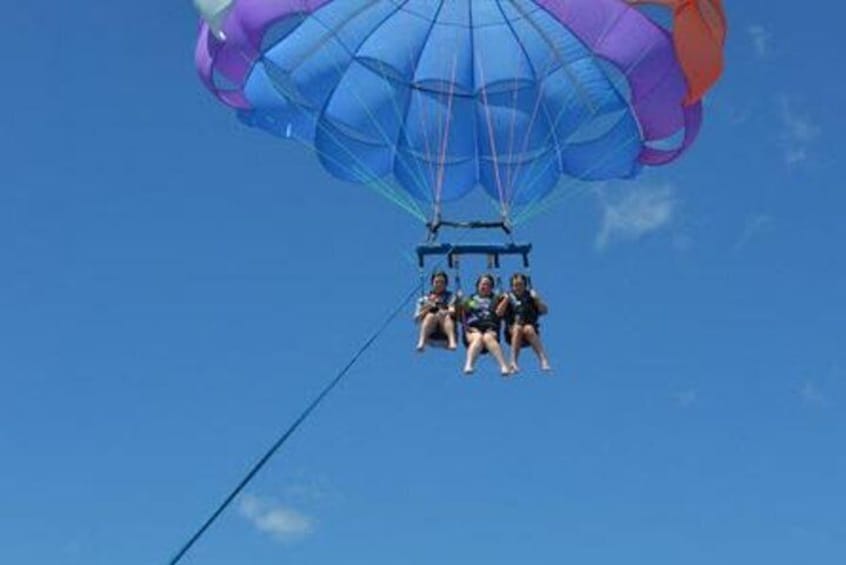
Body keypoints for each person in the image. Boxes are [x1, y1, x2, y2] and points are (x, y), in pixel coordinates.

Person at [497, 273, 551, 372]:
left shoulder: (530, 296)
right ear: (512, 286)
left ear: (525, 285)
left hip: (529, 333)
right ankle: (513, 362)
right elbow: (498, 313)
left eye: (520, 284)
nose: (517, 287)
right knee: (518, 327)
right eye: (515, 285)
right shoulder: (508, 297)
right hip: (512, 333)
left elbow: (544, 311)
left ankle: (543, 360)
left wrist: (537, 299)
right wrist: (505, 300)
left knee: (529, 328)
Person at [460, 274, 511, 376]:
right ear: (478, 286)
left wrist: (506, 299)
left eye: (488, 285)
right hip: (473, 329)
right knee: (478, 337)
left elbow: (499, 313)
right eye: (483, 284)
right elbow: (464, 314)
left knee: (488, 337)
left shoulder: (495, 299)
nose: (485, 287)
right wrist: (466, 327)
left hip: (490, 328)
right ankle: (469, 364)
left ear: (491, 288)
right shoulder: (471, 300)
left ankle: (504, 366)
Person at [414, 271, 457, 351]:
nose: (439, 285)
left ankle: (452, 341)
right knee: (431, 315)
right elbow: (416, 319)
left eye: (442, 282)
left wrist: (444, 311)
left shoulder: (451, 297)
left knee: (445, 316)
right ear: (432, 283)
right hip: (431, 330)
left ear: (446, 284)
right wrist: (427, 309)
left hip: (444, 325)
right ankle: (422, 342)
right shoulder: (424, 299)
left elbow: (453, 311)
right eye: (437, 282)